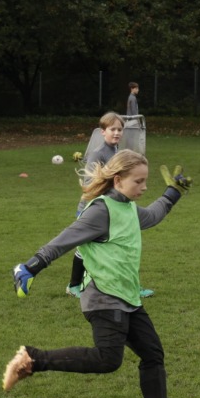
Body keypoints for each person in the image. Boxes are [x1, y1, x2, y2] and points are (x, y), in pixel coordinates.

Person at [3, 151, 193, 398]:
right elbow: (65, 240)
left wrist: (173, 192)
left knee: (153, 355)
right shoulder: (101, 211)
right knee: (108, 359)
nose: (144, 187)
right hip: (104, 297)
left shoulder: (128, 207)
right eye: (138, 181)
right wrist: (31, 267)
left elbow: (152, 216)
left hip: (127, 297)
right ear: (118, 180)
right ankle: (32, 359)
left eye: (145, 181)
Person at [68, 112, 126, 296]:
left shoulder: (117, 150)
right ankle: (73, 286)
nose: (116, 133)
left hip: (110, 207)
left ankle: (123, 285)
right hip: (91, 208)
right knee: (84, 247)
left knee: (116, 245)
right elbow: (89, 183)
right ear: (103, 131)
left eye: (119, 129)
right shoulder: (98, 153)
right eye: (112, 129)